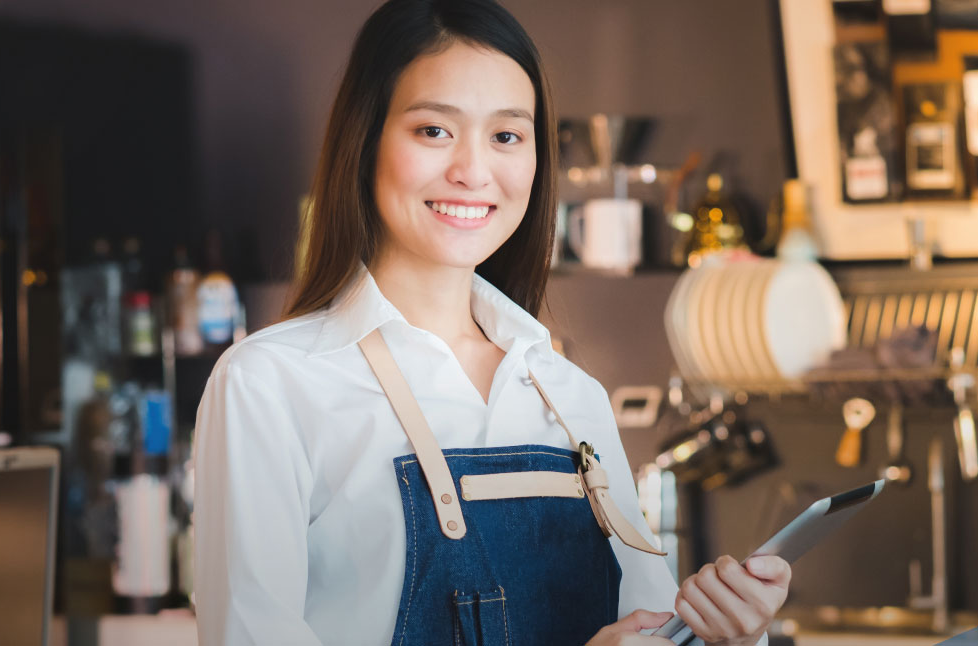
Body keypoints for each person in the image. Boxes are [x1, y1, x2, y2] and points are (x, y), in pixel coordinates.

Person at [190, 1, 789, 643]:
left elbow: (646, 629)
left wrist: (717, 634)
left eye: (506, 136)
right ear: (365, 143)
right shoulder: (270, 383)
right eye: (433, 131)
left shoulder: (570, 396)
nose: (473, 172)